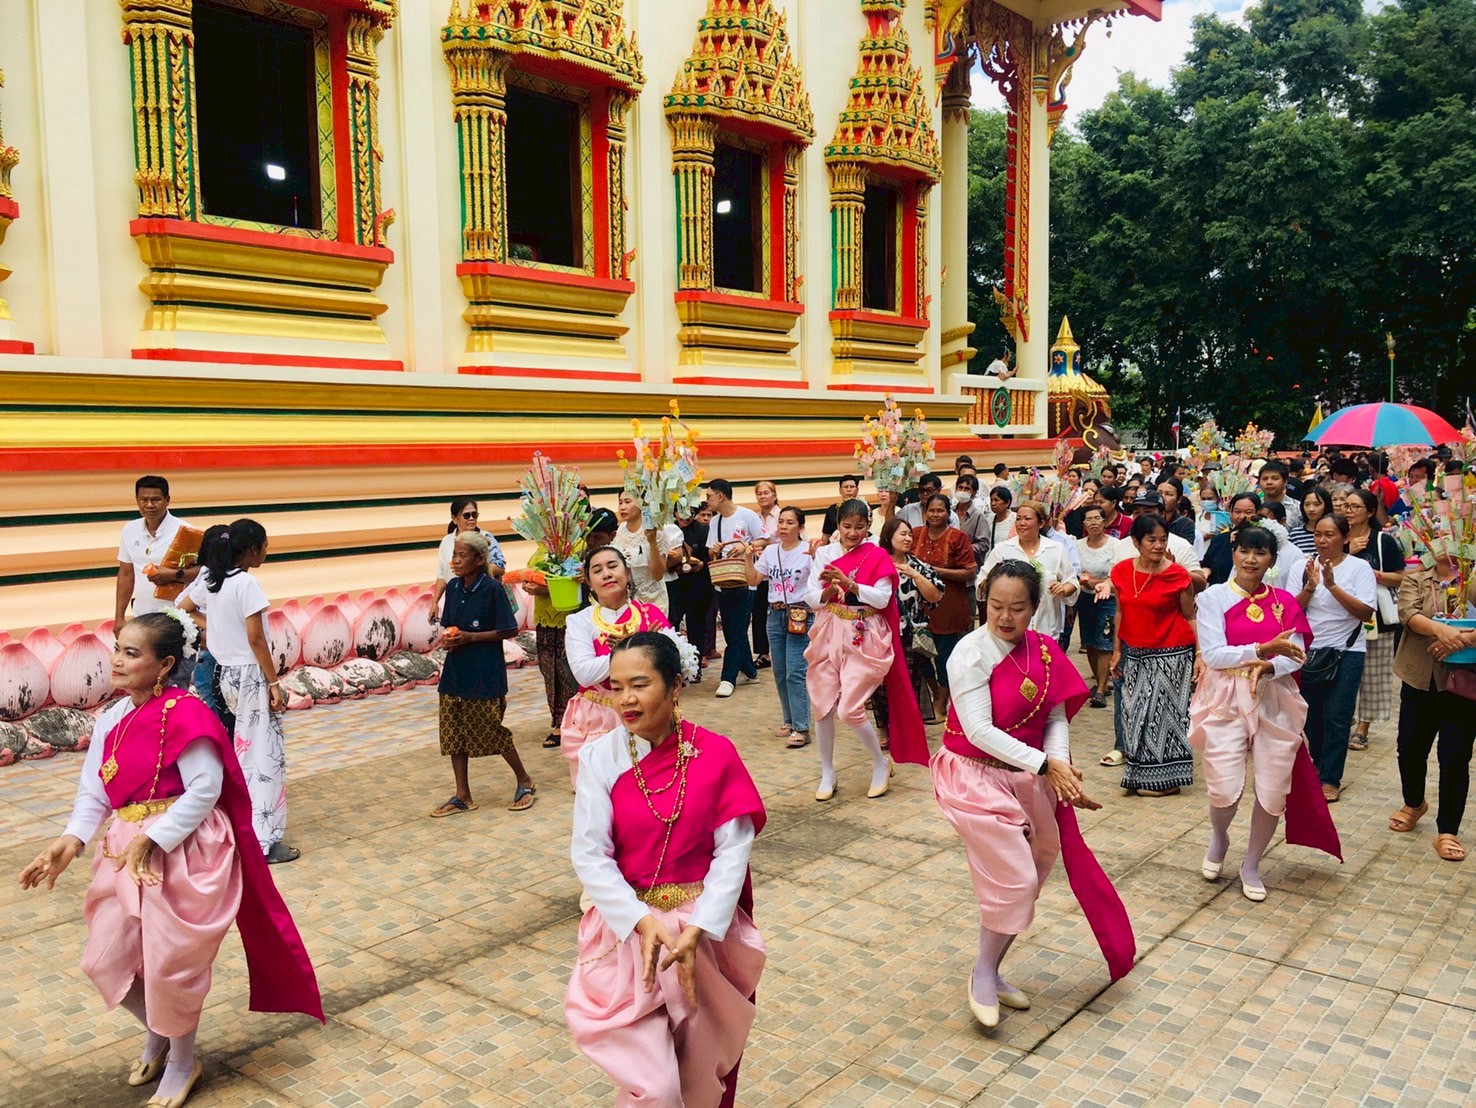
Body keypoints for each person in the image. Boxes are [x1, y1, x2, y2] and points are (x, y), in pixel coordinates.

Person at [19, 612, 323, 1108]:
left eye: (131, 653)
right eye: (117, 647)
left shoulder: (187, 712)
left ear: (164, 665)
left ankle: (182, 1059)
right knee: (104, 958)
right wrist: (71, 841)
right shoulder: (111, 720)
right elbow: (95, 792)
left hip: (186, 849)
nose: (116, 659)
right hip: (124, 848)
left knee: (169, 966)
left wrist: (155, 838)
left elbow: (206, 787)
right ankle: (162, 1033)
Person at [903, 561, 1133, 1029]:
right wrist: (1048, 766)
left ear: (1036, 607)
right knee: (1016, 879)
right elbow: (979, 730)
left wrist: (1059, 764)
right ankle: (983, 973)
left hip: (1025, 775)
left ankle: (992, 966)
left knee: (1037, 866)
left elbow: (1054, 717)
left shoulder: (1044, 650)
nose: (1005, 618)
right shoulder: (970, 653)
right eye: (995, 607)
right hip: (973, 775)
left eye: (1017, 608)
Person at [566, 633, 766, 1107]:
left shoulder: (715, 754)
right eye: (616, 687)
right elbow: (590, 853)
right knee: (653, 1087)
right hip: (628, 934)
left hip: (700, 933)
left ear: (675, 685)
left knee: (701, 1075)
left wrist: (700, 927)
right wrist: (639, 920)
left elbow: (732, 850)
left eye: (640, 684)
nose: (626, 700)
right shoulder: (600, 757)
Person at [1188, 526, 1342, 901]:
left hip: (1276, 695)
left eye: (1260, 553)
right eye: (1244, 551)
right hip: (1226, 694)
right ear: (1234, 552)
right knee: (1224, 786)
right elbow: (1214, 655)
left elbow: (1299, 653)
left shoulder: (1285, 601)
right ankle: (1220, 837)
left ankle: (1252, 863)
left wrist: (1271, 666)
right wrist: (1263, 649)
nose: (1251, 560)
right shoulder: (1212, 599)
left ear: (1272, 559)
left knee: (1272, 788)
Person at [187, 519, 296, 864]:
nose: (266, 551)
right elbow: (256, 638)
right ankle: (263, 842)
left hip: (224, 675)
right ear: (252, 549)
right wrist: (274, 682)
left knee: (240, 752)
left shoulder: (213, 579)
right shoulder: (246, 583)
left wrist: (215, 630)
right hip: (249, 675)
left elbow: (182, 608)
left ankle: (241, 830)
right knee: (262, 757)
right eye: (265, 546)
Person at [805, 499, 925, 801]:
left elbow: (884, 598)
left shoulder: (876, 554)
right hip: (829, 629)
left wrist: (852, 585)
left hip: (865, 632)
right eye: (847, 526)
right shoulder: (824, 553)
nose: (853, 533)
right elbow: (810, 597)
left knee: (849, 708)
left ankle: (880, 763)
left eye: (860, 527)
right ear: (837, 524)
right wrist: (831, 590)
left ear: (868, 524)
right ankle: (828, 772)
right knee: (822, 706)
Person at [429, 531, 535, 818]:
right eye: (454, 555)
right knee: (452, 733)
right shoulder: (453, 588)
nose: (455, 561)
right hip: (455, 670)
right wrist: (449, 640)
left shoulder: (492, 589)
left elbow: (509, 629)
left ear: (478, 559)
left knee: (491, 729)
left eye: (462, 556)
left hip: (485, 671)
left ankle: (524, 780)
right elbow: (449, 625)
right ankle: (462, 794)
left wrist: (471, 638)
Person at [561, 546, 672, 789]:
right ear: (589, 582)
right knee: (600, 792)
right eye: (597, 570)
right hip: (598, 717)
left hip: (648, 709)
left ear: (628, 573)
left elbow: (676, 663)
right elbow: (584, 673)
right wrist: (636, 646)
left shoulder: (650, 614)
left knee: (654, 788)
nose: (607, 574)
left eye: (613, 566)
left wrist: (625, 649)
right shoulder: (579, 621)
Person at [1287, 515, 1377, 802]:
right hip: (1309, 650)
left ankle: (1330, 778)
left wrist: (1333, 585)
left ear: (1345, 537)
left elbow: (1365, 613)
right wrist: (1311, 586)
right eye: (1319, 535)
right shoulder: (1301, 566)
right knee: (1311, 714)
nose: (1323, 541)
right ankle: (1318, 760)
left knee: (1338, 715)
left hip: (1348, 650)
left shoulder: (1359, 568)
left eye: (1330, 535)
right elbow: (1290, 611)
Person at [1390, 563, 1476, 862]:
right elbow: (1409, 615)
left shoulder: (1473, 577)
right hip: (1419, 676)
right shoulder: (1416, 577)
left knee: (1455, 755)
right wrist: (1443, 630)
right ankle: (1414, 803)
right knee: (1410, 748)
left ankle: (1448, 831)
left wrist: (1465, 639)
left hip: (1465, 680)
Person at [1108, 514, 1198, 796]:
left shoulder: (1178, 575)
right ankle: (1139, 775)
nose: (1158, 546)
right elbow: (1120, 611)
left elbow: (1190, 615)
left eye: (1163, 540)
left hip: (1172, 652)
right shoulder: (1122, 571)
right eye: (1152, 540)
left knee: (1163, 715)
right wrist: (1116, 651)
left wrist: (1201, 654)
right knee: (1134, 713)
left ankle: (1167, 781)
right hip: (1135, 652)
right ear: (1136, 542)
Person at [745, 506, 814, 748]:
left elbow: (818, 582)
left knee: (796, 671)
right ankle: (789, 720)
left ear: (801, 527)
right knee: (780, 671)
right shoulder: (771, 551)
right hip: (774, 615)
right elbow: (753, 579)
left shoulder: (808, 552)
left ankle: (802, 727)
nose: (783, 527)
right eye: (781, 522)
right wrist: (747, 556)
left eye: (790, 522)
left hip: (799, 614)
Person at [1343, 488, 1404, 753]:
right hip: (1341, 616)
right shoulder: (1336, 538)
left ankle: (1363, 727)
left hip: (1376, 619)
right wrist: (1346, 549)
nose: (1349, 511)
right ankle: (1345, 717)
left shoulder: (1383, 541)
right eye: (1346, 506)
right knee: (1344, 673)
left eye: (1355, 506)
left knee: (1373, 673)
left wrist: (1373, 574)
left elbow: (1401, 576)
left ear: (1369, 511)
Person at [872, 518, 944, 733]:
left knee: (908, 684)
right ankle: (883, 728)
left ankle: (902, 728)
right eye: (902, 534)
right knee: (879, 684)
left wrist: (914, 574)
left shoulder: (918, 565)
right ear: (888, 536)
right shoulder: (876, 562)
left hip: (908, 635)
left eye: (910, 534)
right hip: (878, 633)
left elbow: (935, 597)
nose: (908, 538)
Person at [910, 493, 978, 720]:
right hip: (918, 607)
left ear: (948, 513)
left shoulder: (958, 537)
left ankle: (941, 702)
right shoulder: (916, 534)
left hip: (948, 607)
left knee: (944, 658)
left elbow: (970, 572)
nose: (935, 514)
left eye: (940, 510)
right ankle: (934, 692)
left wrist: (936, 571)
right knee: (919, 654)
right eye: (931, 510)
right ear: (925, 513)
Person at [981, 501, 1078, 640]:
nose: (1021, 523)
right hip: (1008, 626)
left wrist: (1062, 588)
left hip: (1045, 624)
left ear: (1041, 523)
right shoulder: (1003, 549)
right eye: (1018, 519)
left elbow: (1072, 582)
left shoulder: (1056, 549)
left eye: (1027, 519)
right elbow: (982, 581)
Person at [704, 479, 765, 698]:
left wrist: (745, 546)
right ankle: (749, 670)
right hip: (724, 580)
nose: (707, 500)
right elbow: (711, 550)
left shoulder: (747, 515)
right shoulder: (715, 521)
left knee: (737, 631)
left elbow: (765, 540)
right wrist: (718, 547)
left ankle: (728, 678)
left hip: (745, 580)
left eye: (709, 495)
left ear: (720, 496)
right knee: (732, 630)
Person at [116, 476, 197, 629]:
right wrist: (119, 617)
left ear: (168, 500)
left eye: (156, 500)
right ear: (136, 500)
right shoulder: (129, 529)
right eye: (143, 500)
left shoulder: (186, 532)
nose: (149, 505)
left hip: (177, 616)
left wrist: (173, 575)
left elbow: (202, 572)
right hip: (141, 615)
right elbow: (126, 574)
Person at [179, 525, 232, 727]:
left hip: (217, 648)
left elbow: (181, 604)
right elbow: (182, 605)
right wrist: (211, 628)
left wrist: (211, 628)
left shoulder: (213, 576)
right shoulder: (208, 574)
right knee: (211, 692)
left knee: (212, 693)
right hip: (213, 645)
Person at [611, 490, 683, 617]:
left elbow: (658, 574)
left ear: (642, 504)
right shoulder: (621, 529)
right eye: (620, 502)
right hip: (627, 601)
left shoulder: (657, 532)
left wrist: (652, 542)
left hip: (652, 601)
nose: (622, 507)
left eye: (628, 502)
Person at [1073, 507, 1118, 710]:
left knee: (1104, 642)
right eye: (1088, 519)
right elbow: (1071, 569)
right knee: (1089, 642)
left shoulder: (1115, 546)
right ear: (1083, 524)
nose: (1093, 522)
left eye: (1097, 518)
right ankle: (1099, 681)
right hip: (1084, 598)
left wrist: (1099, 582)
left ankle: (1100, 688)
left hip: (1107, 598)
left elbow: (1116, 574)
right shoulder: (1076, 545)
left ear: (1104, 522)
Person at [432, 498, 505, 615]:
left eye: (474, 515)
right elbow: (442, 575)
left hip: (483, 597)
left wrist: (472, 568)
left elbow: (500, 567)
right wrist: (434, 603)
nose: (471, 518)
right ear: (454, 519)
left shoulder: (486, 537)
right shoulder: (447, 541)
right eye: (466, 515)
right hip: (456, 598)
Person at [670, 503, 714, 676]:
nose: (685, 516)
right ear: (674, 513)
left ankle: (695, 667)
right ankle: (674, 666)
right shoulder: (669, 530)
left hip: (698, 584)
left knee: (696, 625)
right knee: (672, 623)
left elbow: (710, 556)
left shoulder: (703, 531)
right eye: (680, 512)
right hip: (675, 585)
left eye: (689, 512)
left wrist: (701, 564)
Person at [750, 480, 781, 668]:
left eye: (766, 492)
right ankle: (763, 653)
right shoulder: (754, 518)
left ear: (774, 495)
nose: (762, 496)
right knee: (759, 612)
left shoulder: (782, 516)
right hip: (760, 570)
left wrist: (767, 547)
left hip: (779, 571)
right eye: (759, 493)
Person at [1202, 493, 1262, 585]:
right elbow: (1207, 565)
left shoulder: (1263, 542)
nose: (1242, 516)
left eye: (1248, 512)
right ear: (1230, 512)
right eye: (1237, 511)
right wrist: (1206, 572)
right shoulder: (1219, 539)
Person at [952, 473, 993, 563]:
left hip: (969, 564)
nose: (962, 491)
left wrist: (963, 549)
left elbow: (983, 545)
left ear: (974, 493)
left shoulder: (978, 516)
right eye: (960, 487)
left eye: (967, 489)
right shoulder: (950, 512)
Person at [1288, 485, 1332, 557]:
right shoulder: (1295, 534)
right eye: (1307, 504)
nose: (1311, 509)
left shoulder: (1334, 531)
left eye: (1317, 504)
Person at [1257, 460, 1301, 530]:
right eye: (1265, 479)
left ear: (1285, 482)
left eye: (1275, 478)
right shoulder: (1255, 506)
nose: (1269, 482)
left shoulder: (1298, 508)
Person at [820, 475, 862, 541]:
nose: (849, 490)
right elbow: (826, 535)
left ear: (857, 490)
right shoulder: (832, 509)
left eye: (852, 487)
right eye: (845, 487)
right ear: (840, 490)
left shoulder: (864, 507)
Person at [1155, 477, 1197, 543]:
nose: (1162, 497)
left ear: (1179, 499)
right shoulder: (1147, 517)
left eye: (1169, 494)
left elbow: (1183, 549)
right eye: (1159, 493)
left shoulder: (1185, 523)